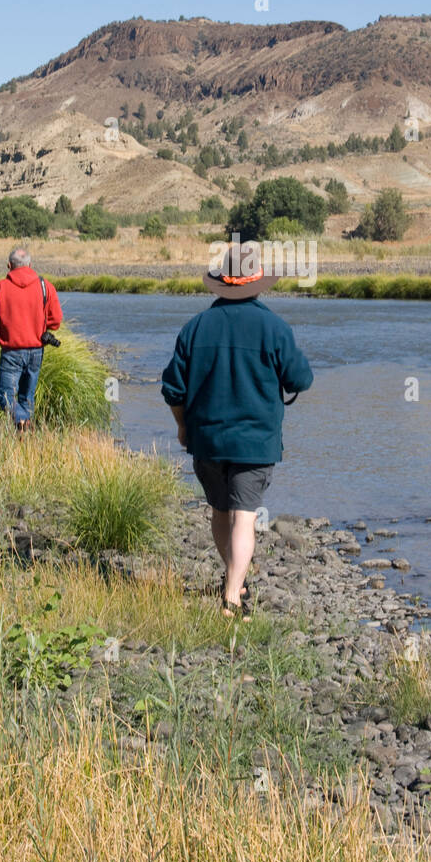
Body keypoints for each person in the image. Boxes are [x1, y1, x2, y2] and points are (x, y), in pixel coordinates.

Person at [161, 241, 313, 620]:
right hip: (255, 443)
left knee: (219, 510)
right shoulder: (275, 328)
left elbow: (172, 388)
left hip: (206, 439)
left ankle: (234, 580)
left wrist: (182, 426)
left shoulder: (195, 327)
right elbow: (301, 379)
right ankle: (232, 597)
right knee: (244, 516)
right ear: (257, 284)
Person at [0, 247, 62, 432]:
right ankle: (25, 435)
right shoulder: (45, 286)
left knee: (6, 398)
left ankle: (24, 423)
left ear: (9, 266)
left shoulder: (0, 287)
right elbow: (56, 321)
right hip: (36, 352)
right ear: (30, 265)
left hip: (11, 353)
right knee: (27, 398)